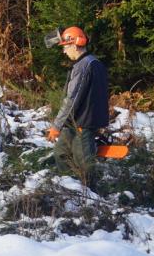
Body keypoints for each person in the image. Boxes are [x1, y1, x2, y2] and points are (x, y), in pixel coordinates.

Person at [45, 25, 109, 184]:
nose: (64, 51)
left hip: (83, 122)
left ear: (75, 44)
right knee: (61, 153)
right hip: (75, 121)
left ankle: (89, 194)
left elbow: (72, 99)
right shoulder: (93, 62)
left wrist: (56, 126)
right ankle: (70, 187)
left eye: (66, 47)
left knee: (84, 163)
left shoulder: (83, 66)